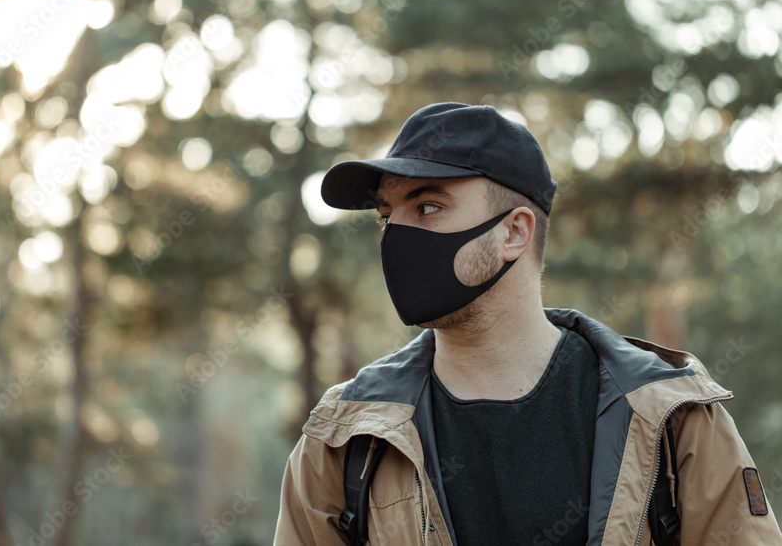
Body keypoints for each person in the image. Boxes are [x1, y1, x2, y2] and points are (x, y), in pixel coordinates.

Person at [273, 103, 782, 545]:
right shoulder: (341, 439)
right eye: (388, 216)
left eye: (428, 207)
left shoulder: (671, 417)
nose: (397, 236)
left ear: (514, 232)